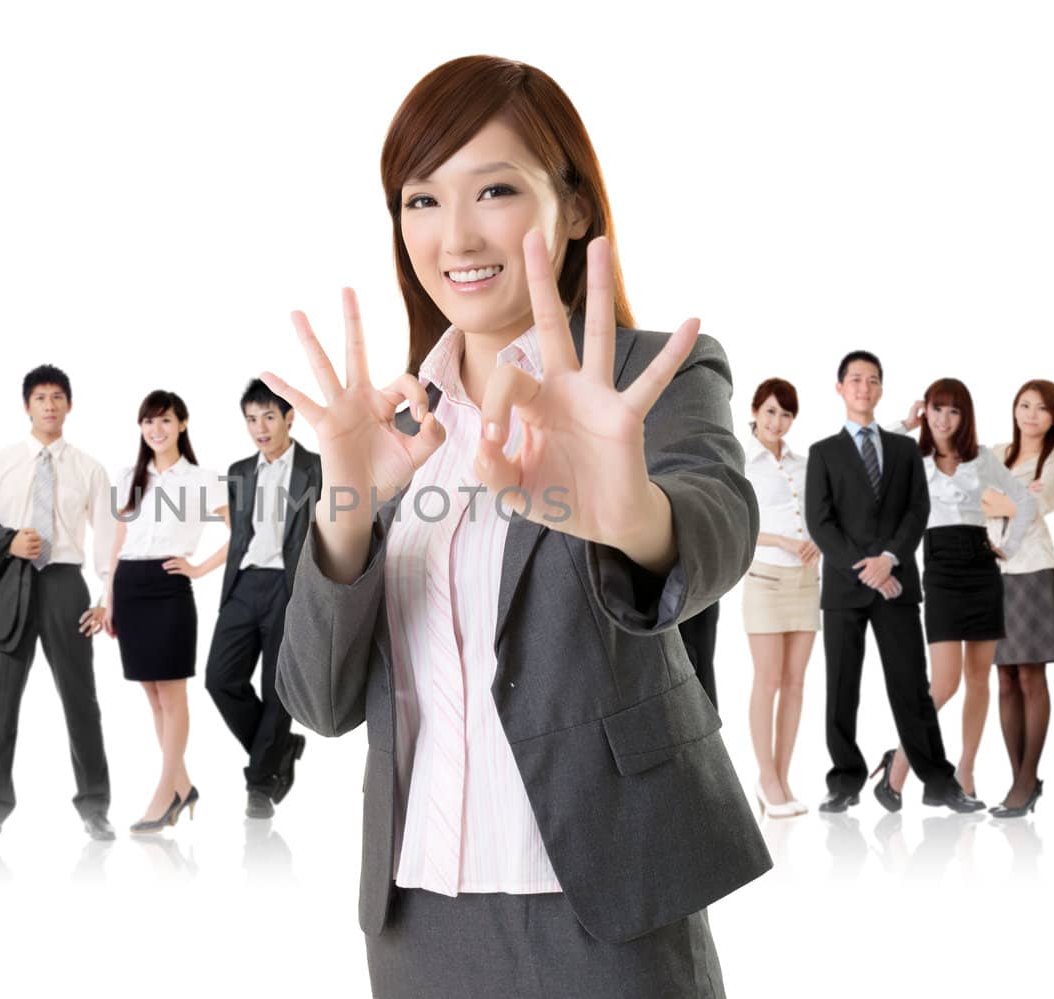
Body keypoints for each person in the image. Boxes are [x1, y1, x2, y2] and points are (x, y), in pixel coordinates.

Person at [265, 55, 769, 997]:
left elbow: (716, 524)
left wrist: (631, 515)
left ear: (574, 207)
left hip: (605, 890)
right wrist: (345, 504)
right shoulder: (389, 426)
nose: (454, 234)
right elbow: (315, 700)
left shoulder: (644, 376)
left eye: (494, 188)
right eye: (420, 200)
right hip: (419, 906)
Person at [805, 352, 982, 815]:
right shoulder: (823, 453)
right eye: (856, 379)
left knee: (911, 688)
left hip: (897, 585)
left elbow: (916, 512)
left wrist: (887, 559)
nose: (865, 387)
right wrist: (865, 568)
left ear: (881, 390)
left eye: (873, 380)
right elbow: (820, 523)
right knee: (841, 688)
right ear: (840, 388)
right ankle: (844, 781)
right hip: (846, 589)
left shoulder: (905, 450)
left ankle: (940, 783)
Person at [0, 364, 116, 843]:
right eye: (40, 398)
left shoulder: (89, 467)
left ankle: (94, 807)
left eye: (57, 397)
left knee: (80, 699)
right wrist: (8, 545)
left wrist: (105, 597)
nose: (49, 405)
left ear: (69, 405)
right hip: (9, 582)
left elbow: (107, 538)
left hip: (66, 584)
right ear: (26, 406)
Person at [876, 379, 1035, 809]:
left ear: (965, 417)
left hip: (982, 569)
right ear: (925, 412)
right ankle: (898, 767)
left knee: (978, 678)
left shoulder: (981, 459)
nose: (944, 419)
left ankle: (965, 772)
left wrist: (1010, 546)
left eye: (954, 411)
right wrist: (906, 423)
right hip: (941, 570)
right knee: (943, 683)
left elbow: (1024, 501)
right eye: (936, 409)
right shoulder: (912, 456)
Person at [103, 390, 228, 832]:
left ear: (182, 424)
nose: (156, 430)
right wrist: (108, 601)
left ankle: (164, 793)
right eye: (148, 422)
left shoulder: (202, 479)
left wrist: (197, 568)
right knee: (151, 694)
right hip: (129, 588)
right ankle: (183, 785)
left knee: (172, 696)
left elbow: (242, 531)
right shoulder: (127, 477)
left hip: (169, 586)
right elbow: (117, 543)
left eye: (165, 421)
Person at [203, 379, 322, 819]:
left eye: (269, 416)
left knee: (277, 686)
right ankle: (279, 748)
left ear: (289, 418)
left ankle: (259, 784)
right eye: (252, 419)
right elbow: (238, 533)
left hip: (290, 589)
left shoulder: (317, 468)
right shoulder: (240, 471)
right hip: (244, 585)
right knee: (220, 679)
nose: (260, 427)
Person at [983, 379, 1054, 817]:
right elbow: (977, 501)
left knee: (1031, 675)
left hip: (1034, 569)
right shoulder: (997, 453)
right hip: (995, 574)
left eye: (1041, 408)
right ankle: (1023, 781)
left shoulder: (1053, 459)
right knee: (1004, 678)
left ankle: (1024, 779)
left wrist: (1008, 500)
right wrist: (1016, 499)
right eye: (1024, 405)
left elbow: (1040, 505)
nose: (1031, 414)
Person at [741, 378, 817, 819]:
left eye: (786, 414)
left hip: (807, 580)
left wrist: (816, 544)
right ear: (755, 410)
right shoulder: (741, 460)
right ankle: (766, 779)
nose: (778, 421)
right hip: (765, 578)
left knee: (795, 683)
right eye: (771, 411)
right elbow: (738, 524)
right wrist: (784, 543)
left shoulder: (803, 463)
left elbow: (819, 516)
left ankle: (783, 779)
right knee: (767, 680)